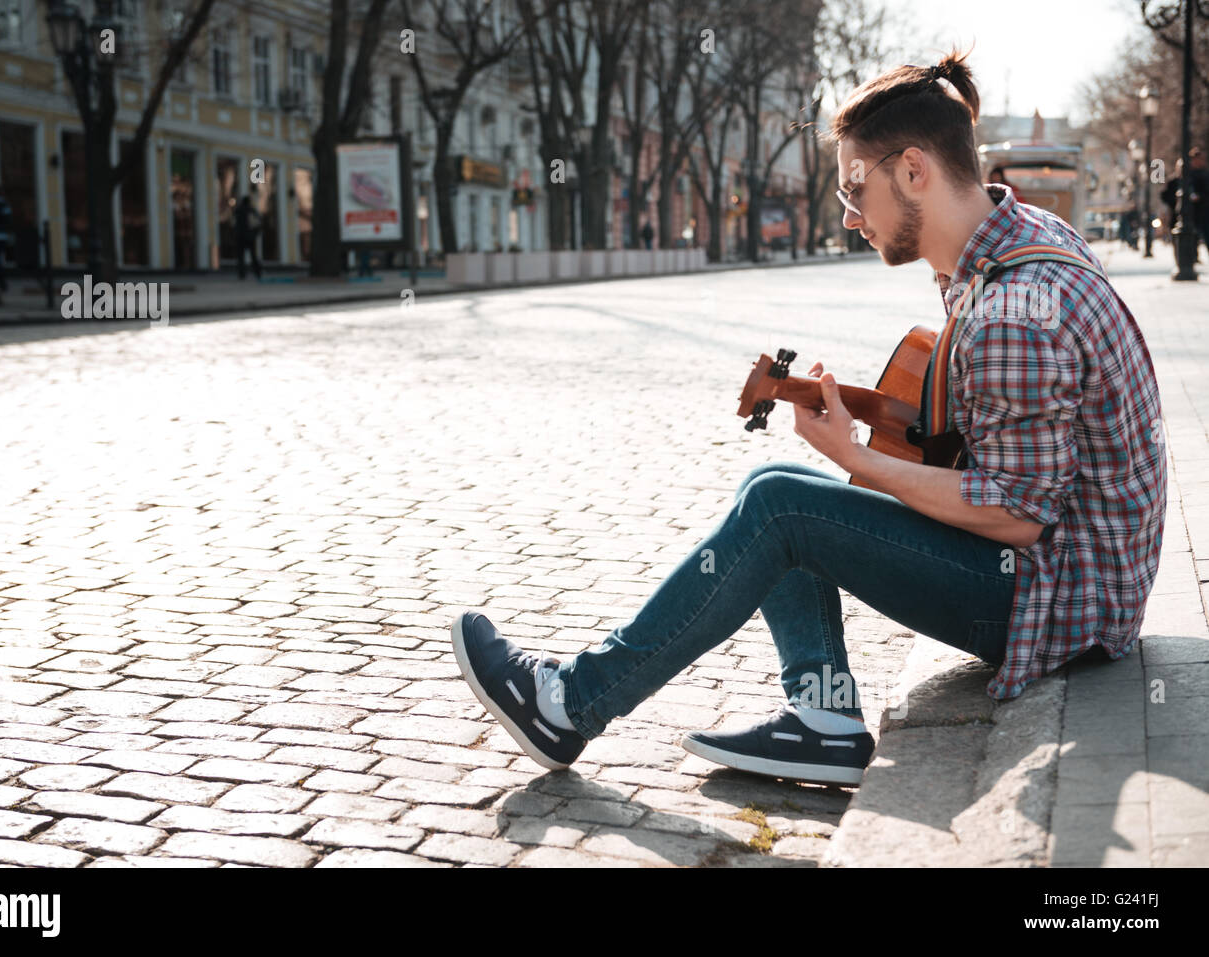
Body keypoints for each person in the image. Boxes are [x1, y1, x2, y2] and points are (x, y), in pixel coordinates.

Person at [451, 49, 1168, 787]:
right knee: (779, 484)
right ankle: (823, 716)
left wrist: (859, 460)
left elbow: (1020, 514)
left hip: (1060, 602)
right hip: (1085, 577)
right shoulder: (1016, 241)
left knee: (778, 507)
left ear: (915, 171)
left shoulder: (1010, 310)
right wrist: (868, 448)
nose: (850, 216)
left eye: (856, 191)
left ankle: (568, 702)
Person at [234, 195, 262, 280]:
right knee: (253, 256)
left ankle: (242, 274)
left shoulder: (238, 211)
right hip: (250, 238)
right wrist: (255, 234)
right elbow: (257, 224)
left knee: (241, 257)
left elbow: (233, 224)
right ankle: (258, 273)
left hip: (241, 237)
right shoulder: (251, 211)